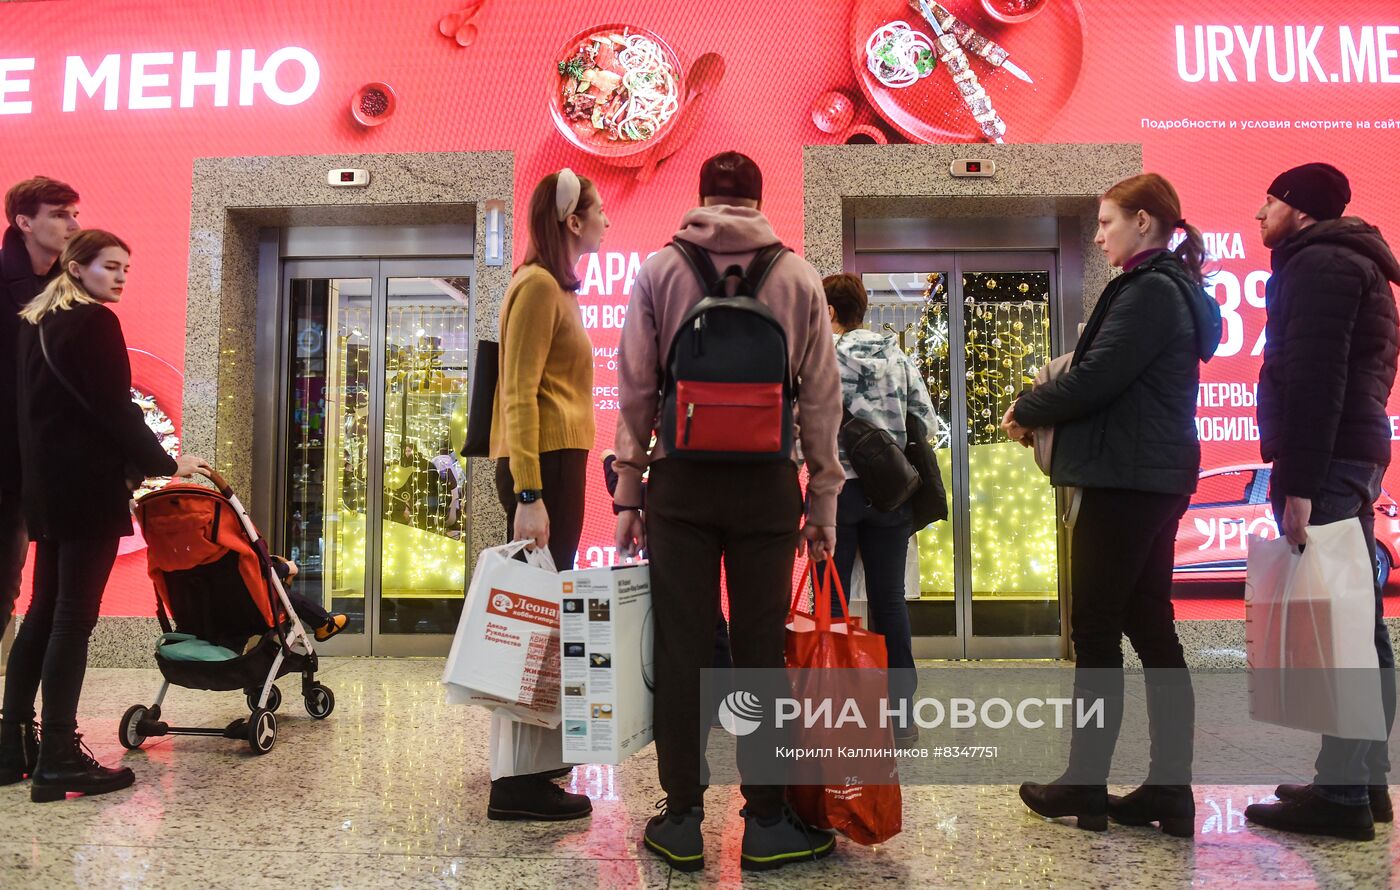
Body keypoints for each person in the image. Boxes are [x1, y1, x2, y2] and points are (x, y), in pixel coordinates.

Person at [614, 151, 844, 872]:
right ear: (761, 199)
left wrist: (628, 493)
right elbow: (821, 401)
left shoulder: (660, 270)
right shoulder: (799, 276)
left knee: (681, 651)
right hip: (767, 489)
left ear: (703, 196)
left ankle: (682, 817)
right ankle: (768, 819)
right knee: (760, 654)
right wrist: (824, 502)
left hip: (679, 486)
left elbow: (636, 391)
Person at [1002, 173, 1221, 836]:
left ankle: (1086, 782)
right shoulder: (1170, 287)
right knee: (1150, 629)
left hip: (1126, 481)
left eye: (1107, 222)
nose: (1099, 235)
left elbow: (1098, 377)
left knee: (1096, 630)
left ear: (1145, 222)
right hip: (1150, 476)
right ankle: (1167, 789)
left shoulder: (1152, 290)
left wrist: (1026, 409)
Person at [0, 230, 211, 800]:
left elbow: (31, 415)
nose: (120, 277)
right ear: (76, 267)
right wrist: (168, 464)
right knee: (72, 621)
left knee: (42, 614)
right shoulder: (94, 322)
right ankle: (60, 755)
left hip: (46, 490)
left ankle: (12, 742)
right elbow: (115, 409)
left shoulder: (35, 322)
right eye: (109, 267)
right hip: (87, 490)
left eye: (125, 268)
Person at [1241, 163, 1400, 842]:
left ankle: (1340, 797)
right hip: (1352, 454)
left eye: (1268, 201)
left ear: (1299, 209)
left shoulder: (1318, 266)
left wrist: (1298, 482)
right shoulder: (1351, 261)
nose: (1258, 215)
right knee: (1359, 623)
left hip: (1328, 460)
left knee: (1338, 629)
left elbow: (1313, 379)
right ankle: (1363, 779)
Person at [485, 168, 606, 821]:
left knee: (545, 622)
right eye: (599, 210)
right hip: (544, 468)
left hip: (558, 463)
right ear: (571, 221)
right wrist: (529, 490)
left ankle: (533, 767)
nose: (607, 221)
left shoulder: (557, 289)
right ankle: (516, 784)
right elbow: (518, 393)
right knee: (535, 625)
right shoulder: (535, 286)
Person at [824, 273, 938, 744]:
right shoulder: (898, 355)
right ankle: (901, 718)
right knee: (889, 603)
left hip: (839, 491)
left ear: (830, 312)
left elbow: (803, 424)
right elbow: (926, 422)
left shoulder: (823, 358)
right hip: (891, 494)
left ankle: (837, 712)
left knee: (832, 601)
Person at [0, 178, 80, 648]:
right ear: (25, 222)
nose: (73, 223)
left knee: (10, 589)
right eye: (60, 213)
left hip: (36, 467)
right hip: (8, 461)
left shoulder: (65, 289)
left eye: (74, 213)